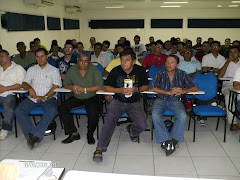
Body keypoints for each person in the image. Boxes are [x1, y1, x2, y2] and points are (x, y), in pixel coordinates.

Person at [93, 48, 149, 162]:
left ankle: (132, 131)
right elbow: (106, 87)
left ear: (133, 61)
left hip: (133, 102)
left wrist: (136, 89)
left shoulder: (140, 70)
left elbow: (146, 86)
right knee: (109, 122)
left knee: (142, 125)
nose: (123, 63)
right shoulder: (116, 70)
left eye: (127, 60)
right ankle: (100, 148)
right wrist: (119, 91)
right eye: (122, 60)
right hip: (118, 101)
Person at [150, 55, 199, 156]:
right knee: (155, 114)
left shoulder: (182, 74)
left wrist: (184, 90)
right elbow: (152, 88)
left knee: (182, 116)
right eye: (167, 62)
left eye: (172, 62)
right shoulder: (160, 72)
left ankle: (174, 139)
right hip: (160, 99)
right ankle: (165, 139)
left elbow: (196, 87)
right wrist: (166, 92)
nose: (168, 64)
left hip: (175, 100)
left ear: (177, 64)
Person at [15, 48, 61, 149]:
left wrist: (45, 96)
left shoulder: (54, 70)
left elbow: (56, 86)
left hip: (48, 97)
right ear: (35, 58)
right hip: (33, 98)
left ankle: (35, 134)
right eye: (38, 57)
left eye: (42, 56)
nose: (40, 59)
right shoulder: (31, 69)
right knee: (19, 110)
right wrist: (30, 89)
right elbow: (25, 83)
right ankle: (31, 135)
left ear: (47, 57)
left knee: (52, 110)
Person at [59, 51, 103, 144]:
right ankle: (74, 133)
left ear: (89, 61)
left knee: (93, 113)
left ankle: (90, 134)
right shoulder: (72, 69)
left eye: (86, 61)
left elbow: (100, 86)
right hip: (77, 97)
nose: (83, 64)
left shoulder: (94, 70)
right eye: (81, 61)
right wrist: (72, 88)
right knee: (62, 108)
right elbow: (65, 83)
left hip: (91, 97)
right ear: (77, 60)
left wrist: (84, 89)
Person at [0, 49, 26, 140]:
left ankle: (5, 129)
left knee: (9, 106)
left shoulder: (18, 68)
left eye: (2, 56)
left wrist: (5, 88)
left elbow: (22, 84)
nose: (0, 59)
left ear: (8, 56)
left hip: (11, 93)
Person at [218, 46, 240, 132]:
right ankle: (233, 123)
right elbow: (220, 75)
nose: (233, 54)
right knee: (228, 97)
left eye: (235, 52)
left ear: (239, 53)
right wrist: (228, 62)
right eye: (231, 52)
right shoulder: (224, 62)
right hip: (228, 85)